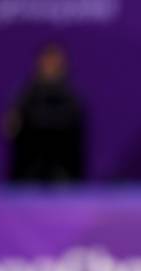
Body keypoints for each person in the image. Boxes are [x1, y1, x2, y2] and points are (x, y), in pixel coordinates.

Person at [5, 43, 85, 182]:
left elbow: (73, 121)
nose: (50, 66)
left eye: (54, 63)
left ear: (62, 66)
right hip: (30, 168)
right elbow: (11, 125)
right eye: (47, 62)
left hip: (62, 167)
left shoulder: (70, 96)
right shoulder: (27, 94)